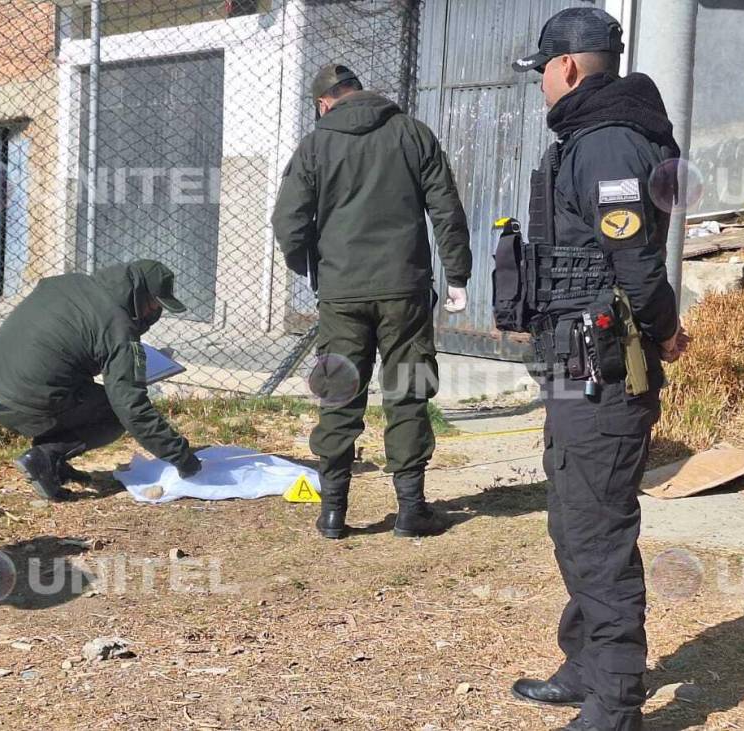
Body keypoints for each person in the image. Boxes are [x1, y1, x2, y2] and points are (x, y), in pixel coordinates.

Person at [502, 9, 690, 731]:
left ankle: (616, 704)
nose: (542, 84)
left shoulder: (608, 144)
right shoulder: (593, 136)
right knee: (574, 521)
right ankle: (586, 663)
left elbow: (637, 262)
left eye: (543, 71)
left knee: (598, 532)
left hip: (603, 372)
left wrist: (665, 329)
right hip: (576, 369)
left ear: (569, 68)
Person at [272, 63, 472, 540]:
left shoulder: (316, 144)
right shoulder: (412, 134)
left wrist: (307, 266)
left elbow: (288, 220)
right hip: (405, 291)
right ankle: (410, 509)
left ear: (324, 102)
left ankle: (334, 511)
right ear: (359, 92)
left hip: (341, 293)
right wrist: (458, 273)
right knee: (409, 389)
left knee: (339, 392)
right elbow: (445, 208)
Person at [0, 259, 202, 501]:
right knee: (113, 413)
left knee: (82, 392)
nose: (153, 312)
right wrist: (182, 457)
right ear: (138, 294)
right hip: (22, 402)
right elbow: (131, 407)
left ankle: (53, 462)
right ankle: (45, 457)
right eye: (153, 304)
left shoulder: (69, 283)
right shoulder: (118, 328)